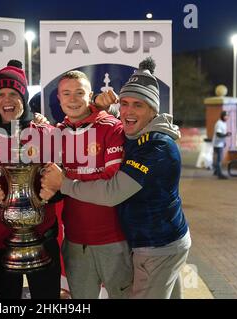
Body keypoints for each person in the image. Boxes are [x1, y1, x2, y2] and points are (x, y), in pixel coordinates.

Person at [41, 58, 191, 299]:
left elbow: (112, 191)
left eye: (138, 105)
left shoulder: (154, 145)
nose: (129, 111)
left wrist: (65, 181)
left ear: (153, 109)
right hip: (97, 242)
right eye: (125, 104)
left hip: (150, 245)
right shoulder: (132, 130)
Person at [43, 70, 132, 299]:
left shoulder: (111, 127)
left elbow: (112, 183)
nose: (72, 99)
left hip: (115, 240)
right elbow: (50, 185)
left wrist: (66, 181)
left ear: (90, 95)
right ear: (59, 99)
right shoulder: (56, 134)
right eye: (66, 93)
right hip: (75, 242)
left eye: (79, 93)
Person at [0, 60, 62, 299]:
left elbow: (63, 180)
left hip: (42, 236)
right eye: (1, 94)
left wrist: (54, 190)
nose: (6, 100)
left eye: (13, 94)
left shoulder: (46, 133)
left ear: (24, 96)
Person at [212, 111, 231, 179]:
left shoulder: (223, 123)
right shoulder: (219, 123)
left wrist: (224, 141)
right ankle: (220, 174)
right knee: (219, 159)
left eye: (228, 116)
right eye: (226, 116)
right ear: (222, 116)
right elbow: (218, 134)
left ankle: (216, 171)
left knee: (218, 158)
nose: (227, 117)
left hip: (220, 143)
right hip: (218, 144)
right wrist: (226, 135)